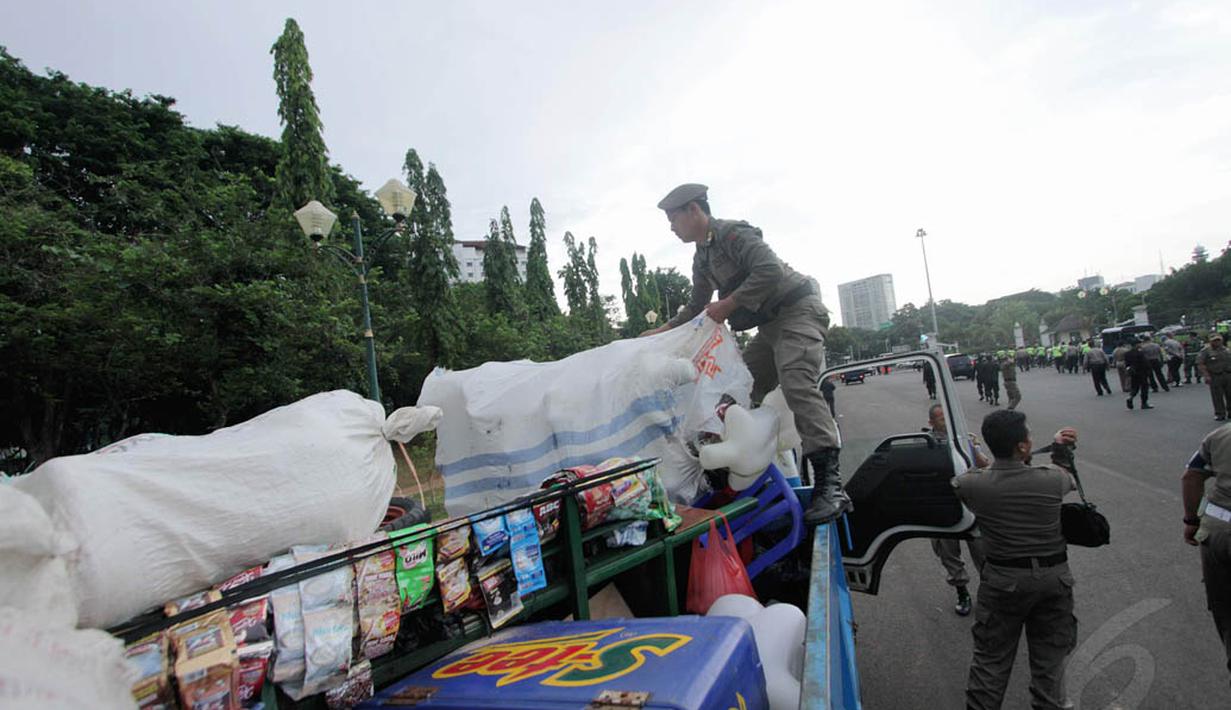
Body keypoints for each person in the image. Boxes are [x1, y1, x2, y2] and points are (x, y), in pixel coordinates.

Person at [642, 183, 847, 524]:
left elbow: (770, 270)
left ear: (695, 210)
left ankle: (831, 484)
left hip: (797, 310)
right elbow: (696, 305)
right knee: (735, 391)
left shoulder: (732, 234)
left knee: (796, 382)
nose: (671, 227)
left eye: (673, 218)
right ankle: (733, 474)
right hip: (769, 327)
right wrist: (661, 332)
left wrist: (730, 303)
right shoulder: (703, 256)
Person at [953, 411, 1081, 710]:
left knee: (990, 661)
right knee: (1050, 662)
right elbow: (1065, 473)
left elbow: (955, 482)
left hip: (1002, 581)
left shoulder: (972, 485)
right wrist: (1059, 446)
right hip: (1054, 580)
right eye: (1028, 437)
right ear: (1023, 447)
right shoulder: (1052, 480)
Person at [925, 403, 988, 616]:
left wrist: (973, 446)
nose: (947, 422)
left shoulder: (965, 437)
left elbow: (983, 465)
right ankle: (962, 591)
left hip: (971, 505)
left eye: (949, 417)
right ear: (931, 423)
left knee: (983, 551)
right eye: (942, 419)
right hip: (944, 508)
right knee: (949, 553)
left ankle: (989, 593)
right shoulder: (926, 443)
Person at [1182, 422, 1231, 688]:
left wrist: (1191, 520)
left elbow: (1191, 476)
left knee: (1226, 611)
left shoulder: (1220, 435)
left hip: (1219, 532)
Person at [1199, 333, 1231, 421]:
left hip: (1228, 374)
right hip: (1215, 376)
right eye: (1214, 341)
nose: (1217, 342)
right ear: (1210, 341)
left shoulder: (1226, 350)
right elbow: (1201, 364)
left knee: (1229, 394)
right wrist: (1206, 375)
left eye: (1218, 340)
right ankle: (1220, 413)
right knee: (1217, 396)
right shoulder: (1206, 351)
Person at [1124, 337, 1154, 410]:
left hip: (1133, 373)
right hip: (1142, 372)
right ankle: (1144, 403)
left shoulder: (1127, 354)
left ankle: (1130, 397)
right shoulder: (1140, 353)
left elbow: (1127, 364)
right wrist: (1149, 370)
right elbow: (1145, 363)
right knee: (1144, 388)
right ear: (1136, 344)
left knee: (1135, 387)